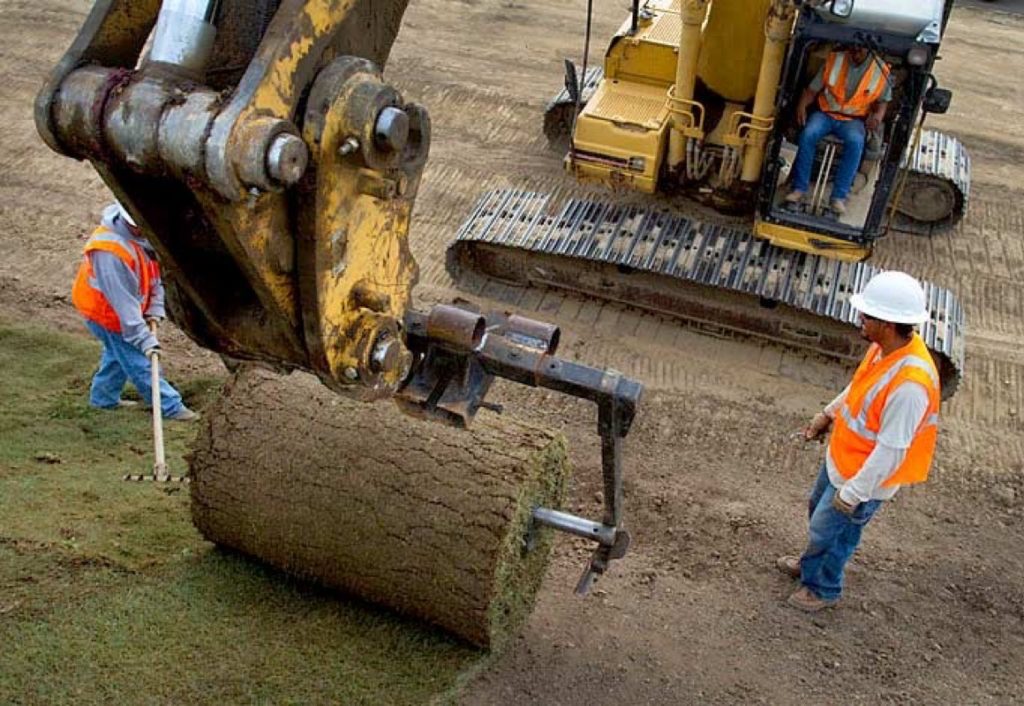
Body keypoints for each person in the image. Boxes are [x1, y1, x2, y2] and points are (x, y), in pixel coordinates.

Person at [777, 271, 940, 611]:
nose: (859, 320)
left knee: (834, 534)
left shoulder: (910, 385)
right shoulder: (886, 349)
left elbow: (893, 450)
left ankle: (822, 588)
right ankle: (811, 564)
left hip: (861, 482)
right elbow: (861, 387)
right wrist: (828, 413)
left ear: (888, 323)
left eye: (867, 315)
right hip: (842, 461)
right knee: (818, 517)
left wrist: (853, 495)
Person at [71, 202, 199, 422]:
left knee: (117, 354)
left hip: (125, 311)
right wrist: (145, 340)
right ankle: (170, 406)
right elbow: (124, 306)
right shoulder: (110, 253)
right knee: (140, 361)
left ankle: (102, 400)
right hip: (106, 314)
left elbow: (155, 274)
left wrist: (155, 307)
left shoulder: (145, 236)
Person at [785, 46, 892, 215]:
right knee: (808, 135)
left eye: (860, 51)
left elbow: (882, 102)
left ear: (870, 50)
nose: (855, 53)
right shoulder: (835, 60)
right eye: (853, 50)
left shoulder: (880, 70)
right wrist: (802, 106)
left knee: (856, 143)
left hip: (853, 120)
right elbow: (812, 89)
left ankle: (838, 197)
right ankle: (799, 188)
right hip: (826, 113)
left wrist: (877, 117)